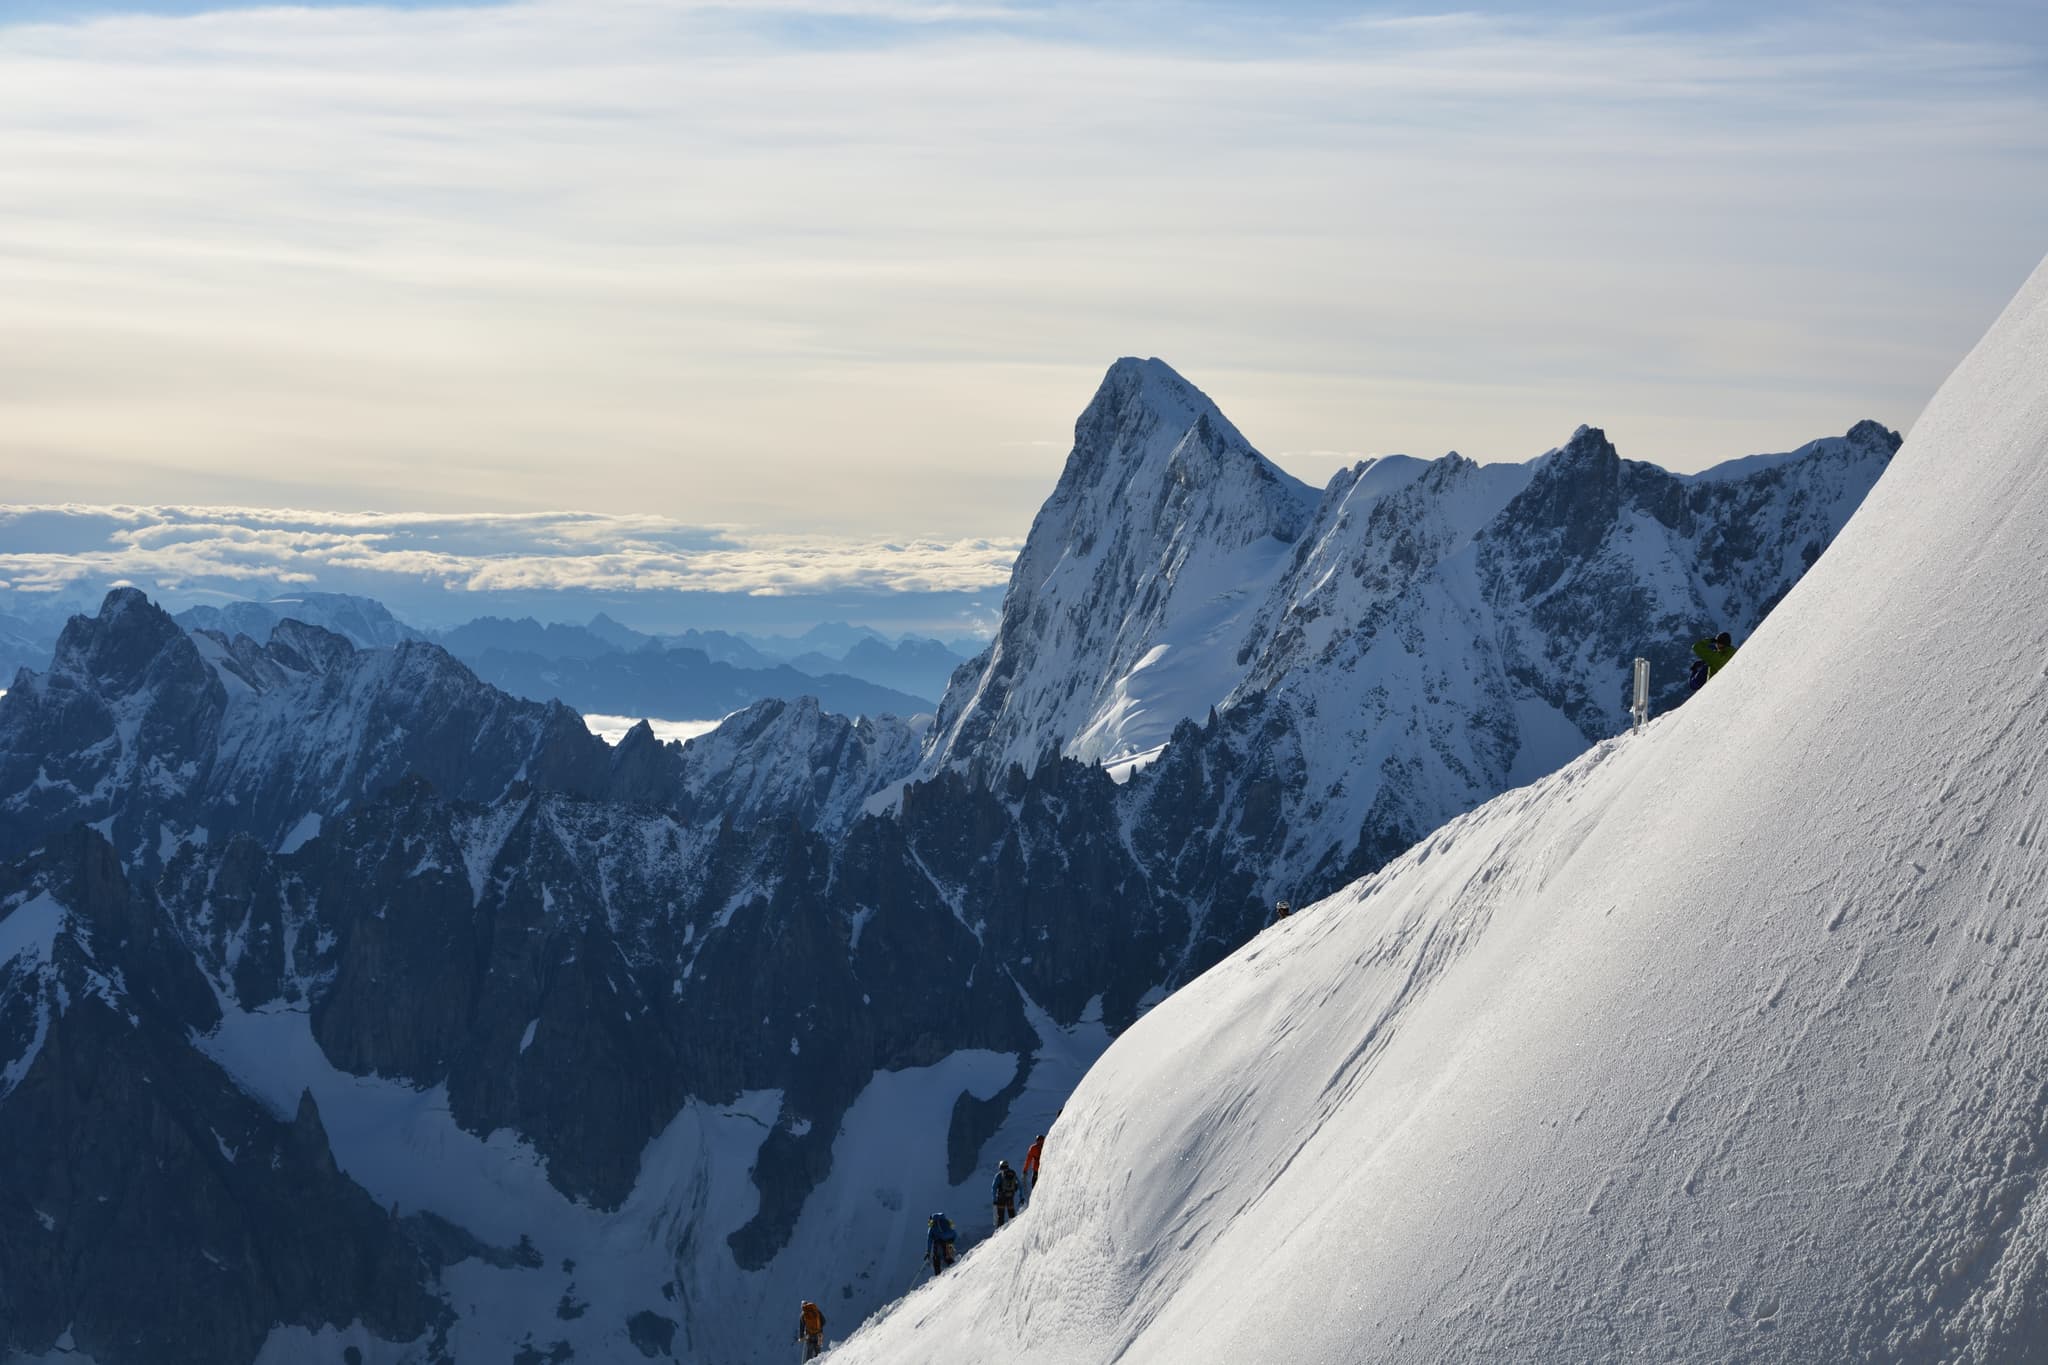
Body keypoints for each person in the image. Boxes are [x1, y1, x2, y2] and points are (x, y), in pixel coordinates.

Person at [992, 1158, 1021, 1227]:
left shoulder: (998, 1176)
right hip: (1010, 1197)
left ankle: (1000, 1231)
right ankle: (1014, 1229)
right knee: (1012, 1216)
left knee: (1000, 1217)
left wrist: (994, 1200)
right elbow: (1019, 1185)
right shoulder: (1013, 1174)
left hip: (1001, 1198)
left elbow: (994, 1188)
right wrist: (1021, 1197)